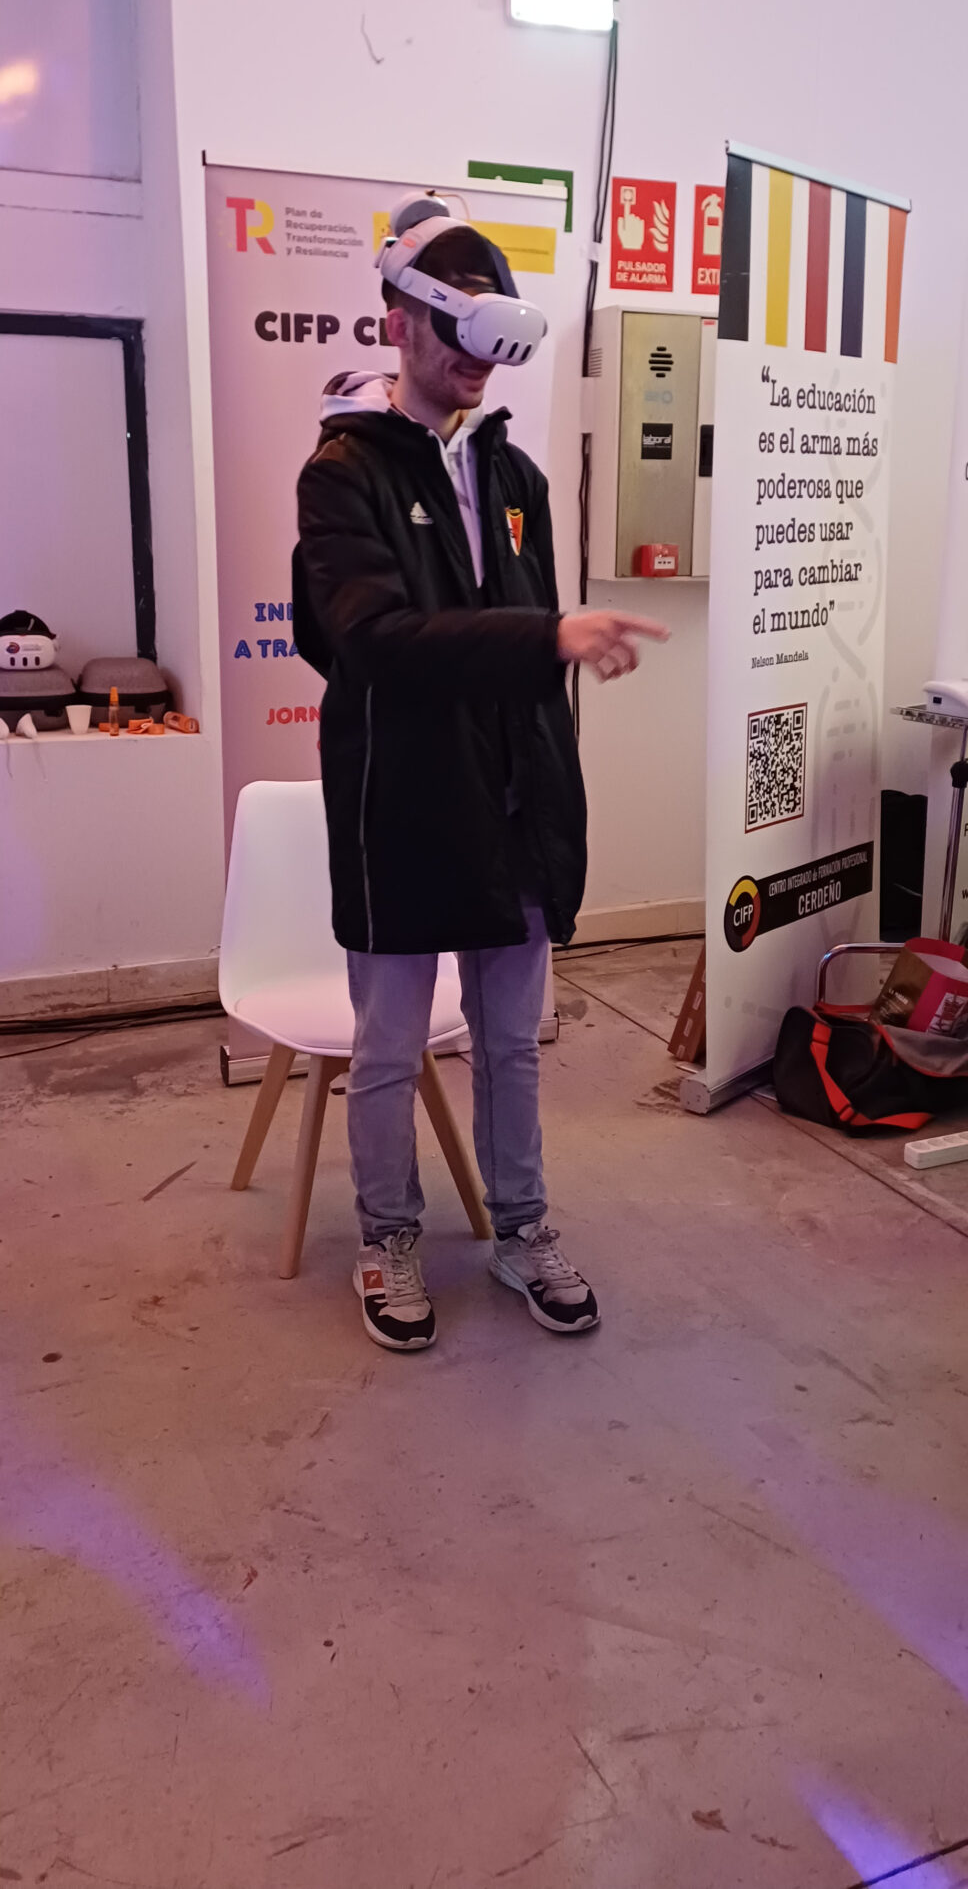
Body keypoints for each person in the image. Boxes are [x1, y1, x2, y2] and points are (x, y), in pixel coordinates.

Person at [293, 198, 668, 1353]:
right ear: (398, 322)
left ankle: (521, 1229)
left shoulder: (515, 478)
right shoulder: (342, 475)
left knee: (510, 1045)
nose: (475, 363)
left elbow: (527, 661)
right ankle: (387, 1237)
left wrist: (551, 789)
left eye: (490, 341)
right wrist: (544, 634)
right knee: (388, 1051)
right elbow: (373, 642)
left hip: (511, 808)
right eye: (456, 334)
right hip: (402, 808)